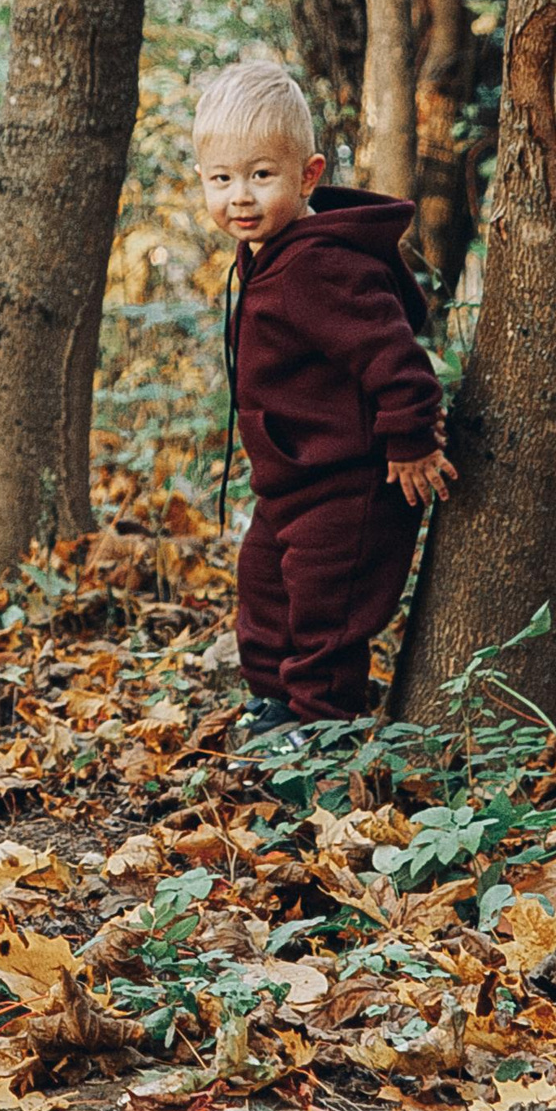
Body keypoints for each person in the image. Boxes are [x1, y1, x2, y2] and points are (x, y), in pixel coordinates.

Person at [195, 61, 455, 750]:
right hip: (292, 481)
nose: (239, 197)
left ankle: (319, 731)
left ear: (308, 176)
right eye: (221, 179)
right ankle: (276, 707)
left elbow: (392, 355)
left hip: (349, 483)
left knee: (326, 609)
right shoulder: (266, 253)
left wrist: (409, 436)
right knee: (263, 591)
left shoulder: (318, 264)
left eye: (260, 175)